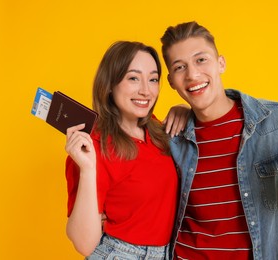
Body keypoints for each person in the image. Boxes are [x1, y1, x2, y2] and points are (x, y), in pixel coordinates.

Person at [160, 21, 278, 260]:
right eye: (180, 67)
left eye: (201, 60)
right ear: (171, 80)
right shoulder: (171, 138)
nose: (192, 74)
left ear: (221, 63)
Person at [65, 41, 187, 259]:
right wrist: (87, 169)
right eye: (133, 78)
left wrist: (185, 110)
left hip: (168, 252)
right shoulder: (93, 146)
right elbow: (84, 244)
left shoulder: (158, 131)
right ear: (110, 84)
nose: (145, 90)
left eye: (153, 79)